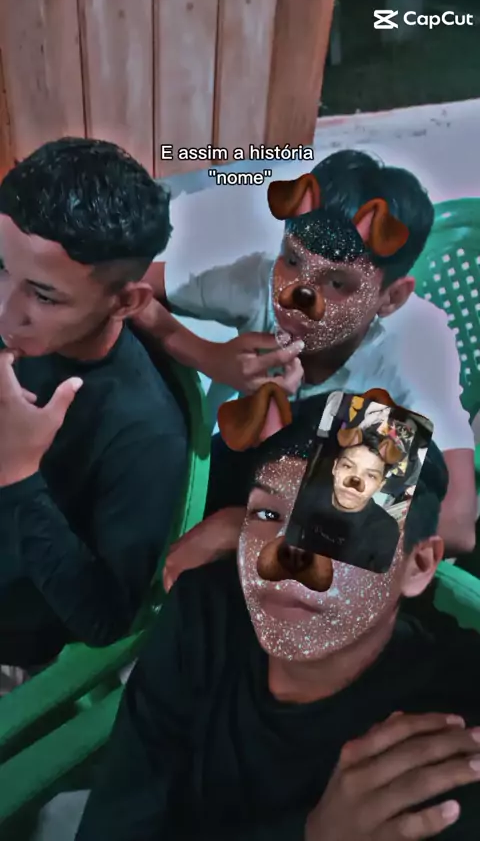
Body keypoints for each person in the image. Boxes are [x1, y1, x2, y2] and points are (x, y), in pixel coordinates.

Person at [74, 395, 480, 841]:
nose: (287, 554)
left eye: (342, 524)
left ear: (418, 566)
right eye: (268, 514)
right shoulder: (205, 611)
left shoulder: (442, 739)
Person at [138, 150, 476, 558]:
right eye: (293, 259)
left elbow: (457, 524)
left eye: (338, 283)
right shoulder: (257, 280)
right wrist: (207, 355)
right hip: (245, 471)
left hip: (337, 516)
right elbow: (125, 287)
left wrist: (257, 527)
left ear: (391, 298)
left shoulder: (413, 344)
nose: (295, 295)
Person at [0, 137, 193, 667]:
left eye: (43, 295)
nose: (5, 312)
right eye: (1, 267)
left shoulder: (144, 434)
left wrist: (19, 476)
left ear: (126, 302)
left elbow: (106, 619)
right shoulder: (23, 326)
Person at [288, 430, 400, 572]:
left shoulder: (386, 531)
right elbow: (293, 525)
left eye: (371, 475)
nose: (354, 481)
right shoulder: (310, 493)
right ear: (335, 467)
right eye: (347, 466)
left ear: (380, 485)